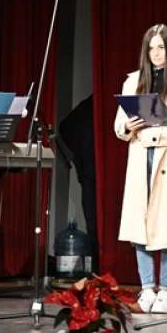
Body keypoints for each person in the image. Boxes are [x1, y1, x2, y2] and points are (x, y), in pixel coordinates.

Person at [114, 24, 167, 313]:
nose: (156, 53)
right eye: (151, 48)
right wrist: (128, 126)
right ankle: (147, 287)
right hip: (141, 155)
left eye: (161, 47)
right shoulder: (133, 81)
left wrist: (154, 132)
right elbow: (118, 124)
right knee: (141, 225)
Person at [58, 94, 99, 274]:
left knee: (93, 221)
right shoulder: (91, 105)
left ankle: (97, 269)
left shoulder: (91, 104)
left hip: (89, 170)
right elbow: (65, 127)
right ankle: (97, 268)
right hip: (91, 171)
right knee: (93, 222)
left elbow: (65, 127)